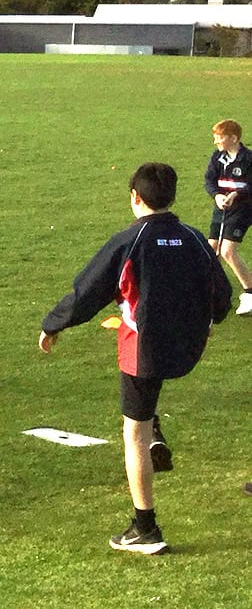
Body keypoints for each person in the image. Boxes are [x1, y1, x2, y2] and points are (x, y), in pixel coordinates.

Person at [39, 162, 231, 555]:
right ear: (172, 197)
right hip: (188, 347)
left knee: (134, 432)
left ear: (135, 197)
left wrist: (53, 325)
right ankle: (154, 426)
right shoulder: (194, 237)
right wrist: (210, 319)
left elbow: (87, 292)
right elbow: (221, 293)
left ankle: (146, 528)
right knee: (147, 399)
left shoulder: (129, 240)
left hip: (146, 351)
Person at [204, 119, 252, 316]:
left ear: (233, 138)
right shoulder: (218, 157)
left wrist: (236, 194)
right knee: (211, 249)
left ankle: (250, 292)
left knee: (228, 251)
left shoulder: (248, 159)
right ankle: (210, 291)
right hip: (222, 208)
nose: (216, 141)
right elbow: (209, 180)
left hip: (242, 209)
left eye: (220, 137)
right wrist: (217, 195)